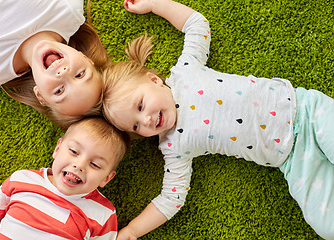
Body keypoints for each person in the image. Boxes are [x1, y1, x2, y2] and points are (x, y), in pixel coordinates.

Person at [101, 0, 334, 239]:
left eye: (140, 105)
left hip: (305, 111)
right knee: (327, 226)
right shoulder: (173, 147)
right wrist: (132, 230)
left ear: (153, 80)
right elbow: (171, 198)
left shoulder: (184, 71)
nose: (147, 120)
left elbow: (197, 25)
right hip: (293, 160)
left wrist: (155, 4)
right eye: (136, 126)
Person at [0, 117, 130, 240]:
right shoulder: (22, 179)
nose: (79, 165)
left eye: (95, 165)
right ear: (57, 148)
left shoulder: (103, 213)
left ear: (106, 179)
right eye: (74, 151)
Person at [0, 0, 109, 129]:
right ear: (85, 58)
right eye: (80, 74)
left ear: (40, 95)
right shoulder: (69, 13)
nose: (63, 73)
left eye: (59, 91)